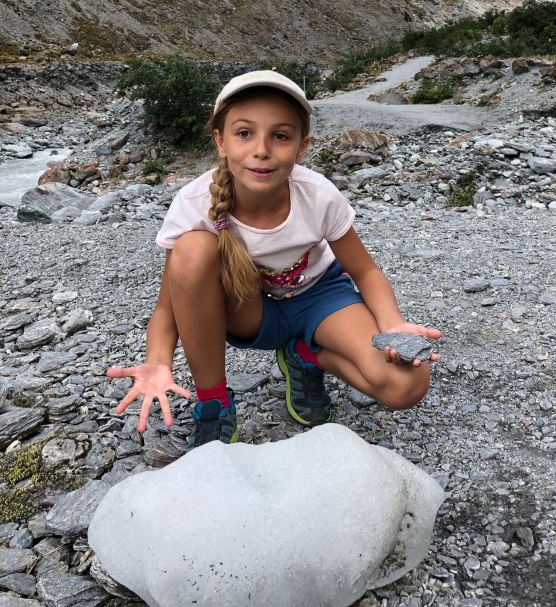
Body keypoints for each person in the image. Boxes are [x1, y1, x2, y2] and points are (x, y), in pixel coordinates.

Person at [107, 70, 441, 447]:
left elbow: (364, 271)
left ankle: (305, 356)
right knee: (193, 248)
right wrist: (158, 361)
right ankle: (213, 403)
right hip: (247, 310)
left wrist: (392, 326)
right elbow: (167, 309)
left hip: (320, 298)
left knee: (406, 384)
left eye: (280, 136)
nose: (262, 149)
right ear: (220, 141)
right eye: (245, 133)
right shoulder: (194, 202)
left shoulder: (318, 194)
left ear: (301, 147)